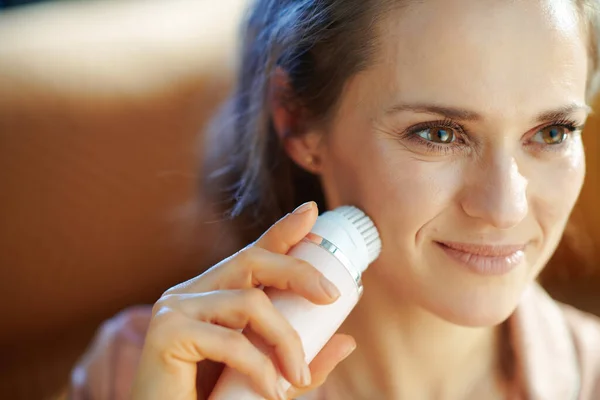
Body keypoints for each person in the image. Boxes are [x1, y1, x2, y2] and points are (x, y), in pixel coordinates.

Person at [69, 0, 600, 399]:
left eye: (552, 132)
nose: (505, 206)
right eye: (438, 133)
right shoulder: (146, 373)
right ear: (298, 121)